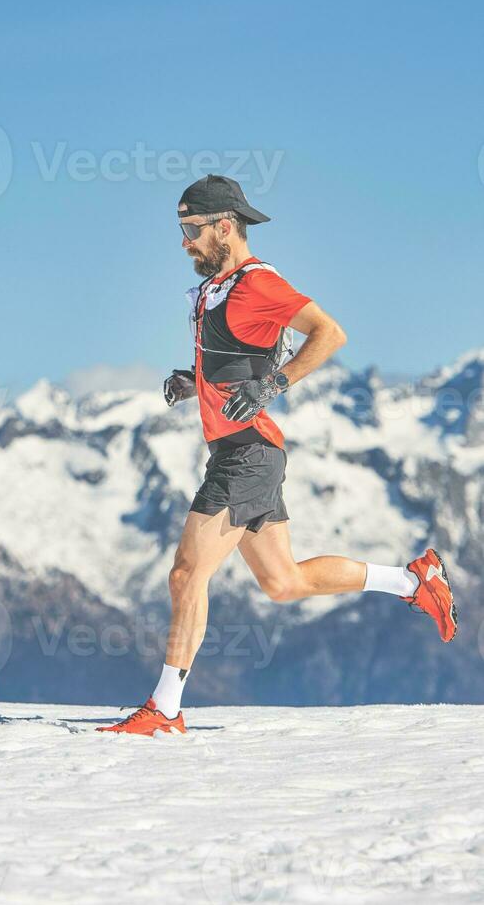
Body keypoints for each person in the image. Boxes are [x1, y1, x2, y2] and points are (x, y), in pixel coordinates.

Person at [96, 174, 458, 737]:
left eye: (192, 229)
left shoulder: (256, 284)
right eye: (180, 229)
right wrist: (197, 382)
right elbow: (239, 358)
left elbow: (329, 334)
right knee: (284, 583)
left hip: (246, 457)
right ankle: (414, 581)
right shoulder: (216, 290)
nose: (184, 241)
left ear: (224, 226)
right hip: (244, 452)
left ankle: (165, 709)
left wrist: (273, 386)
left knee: (186, 572)